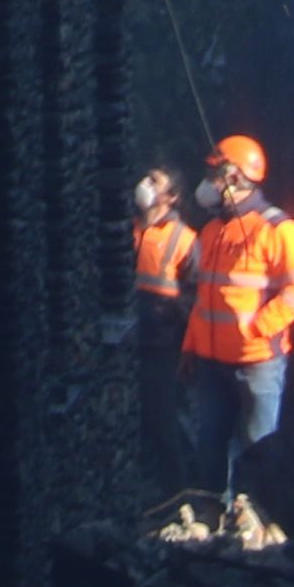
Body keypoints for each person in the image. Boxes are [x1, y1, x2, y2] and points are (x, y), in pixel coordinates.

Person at [179, 130, 294, 546]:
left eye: (217, 174)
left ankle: (258, 518)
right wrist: (190, 347)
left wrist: (257, 330)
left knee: (259, 444)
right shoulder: (211, 233)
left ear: (237, 177)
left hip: (258, 362)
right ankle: (209, 516)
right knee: (211, 442)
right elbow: (206, 300)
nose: (209, 183)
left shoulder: (278, 229)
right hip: (211, 361)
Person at [125, 164, 197, 501]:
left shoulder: (184, 239)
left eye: (155, 182)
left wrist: (173, 315)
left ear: (172, 197)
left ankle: (176, 496)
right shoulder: (129, 229)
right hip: (126, 343)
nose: (145, 185)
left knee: (162, 422)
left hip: (160, 347)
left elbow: (197, 295)